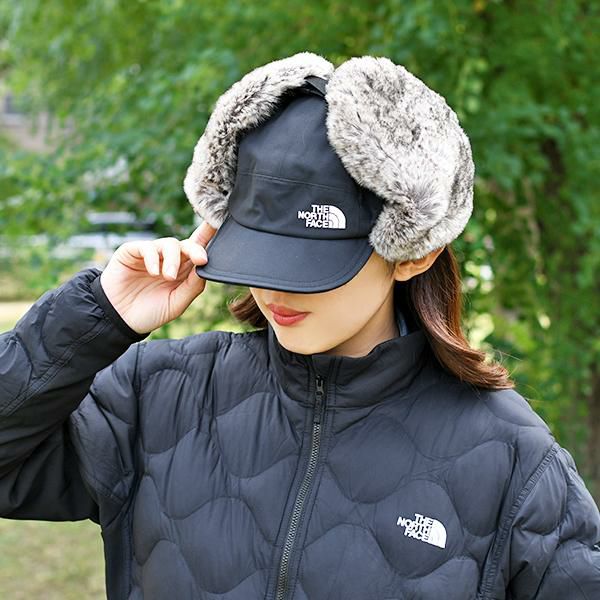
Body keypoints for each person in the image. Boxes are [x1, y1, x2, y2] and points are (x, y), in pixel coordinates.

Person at [1, 52, 599, 600]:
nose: (273, 289)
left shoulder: (510, 459)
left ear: (412, 251)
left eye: (309, 262)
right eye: (259, 251)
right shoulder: (157, 395)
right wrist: (98, 314)